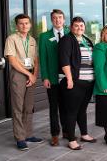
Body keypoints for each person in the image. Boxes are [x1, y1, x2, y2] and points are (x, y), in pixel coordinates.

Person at [4, 14, 43, 151]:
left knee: (28, 107)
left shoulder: (32, 40)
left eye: (27, 23)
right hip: (19, 74)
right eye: (21, 23)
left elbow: (36, 59)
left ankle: (28, 134)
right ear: (17, 25)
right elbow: (12, 60)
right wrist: (28, 74)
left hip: (31, 74)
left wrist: (34, 75)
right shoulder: (11, 39)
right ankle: (20, 138)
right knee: (18, 107)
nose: (24, 26)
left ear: (30, 25)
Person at [58, 16, 96, 150]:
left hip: (88, 82)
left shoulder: (87, 40)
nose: (79, 28)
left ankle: (84, 134)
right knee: (72, 111)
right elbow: (64, 60)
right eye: (76, 26)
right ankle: (71, 139)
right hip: (75, 82)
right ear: (71, 27)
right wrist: (69, 79)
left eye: (81, 26)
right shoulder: (67, 40)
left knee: (82, 110)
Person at [39, 9, 69, 146]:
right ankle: (55, 134)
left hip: (67, 78)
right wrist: (44, 77)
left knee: (66, 106)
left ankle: (67, 131)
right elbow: (43, 59)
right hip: (52, 78)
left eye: (60, 17)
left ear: (64, 19)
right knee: (53, 108)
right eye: (55, 18)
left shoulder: (70, 34)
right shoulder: (44, 37)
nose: (58, 20)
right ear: (52, 20)